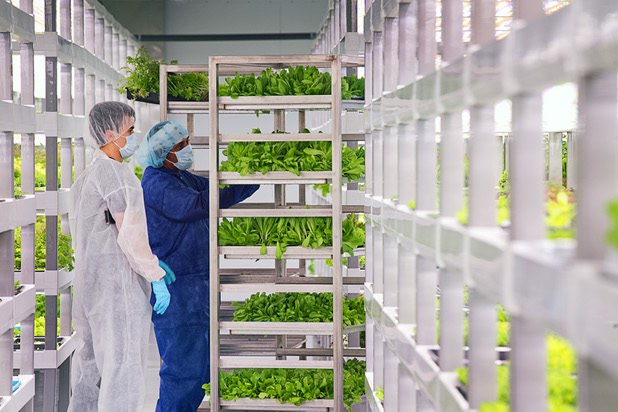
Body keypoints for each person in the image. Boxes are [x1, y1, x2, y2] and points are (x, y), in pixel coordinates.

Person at [136, 120, 258, 411]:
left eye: (186, 142)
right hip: (178, 288)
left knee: (199, 370)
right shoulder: (156, 183)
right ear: (163, 152)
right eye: (180, 146)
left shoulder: (181, 177)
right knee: (182, 373)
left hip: (197, 285)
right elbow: (197, 205)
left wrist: (255, 175)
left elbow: (218, 194)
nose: (187, 149)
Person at [68, 102, 176, 411]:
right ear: (110, 133)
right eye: (130, 130)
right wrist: (153, 273)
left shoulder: (89, 175)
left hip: (91, 288)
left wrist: (151, 263)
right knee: (123, 368)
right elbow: (129, 232)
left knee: (90, 369)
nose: (133, 137)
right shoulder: (116, 175)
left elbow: (102, 231)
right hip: (118, 291)